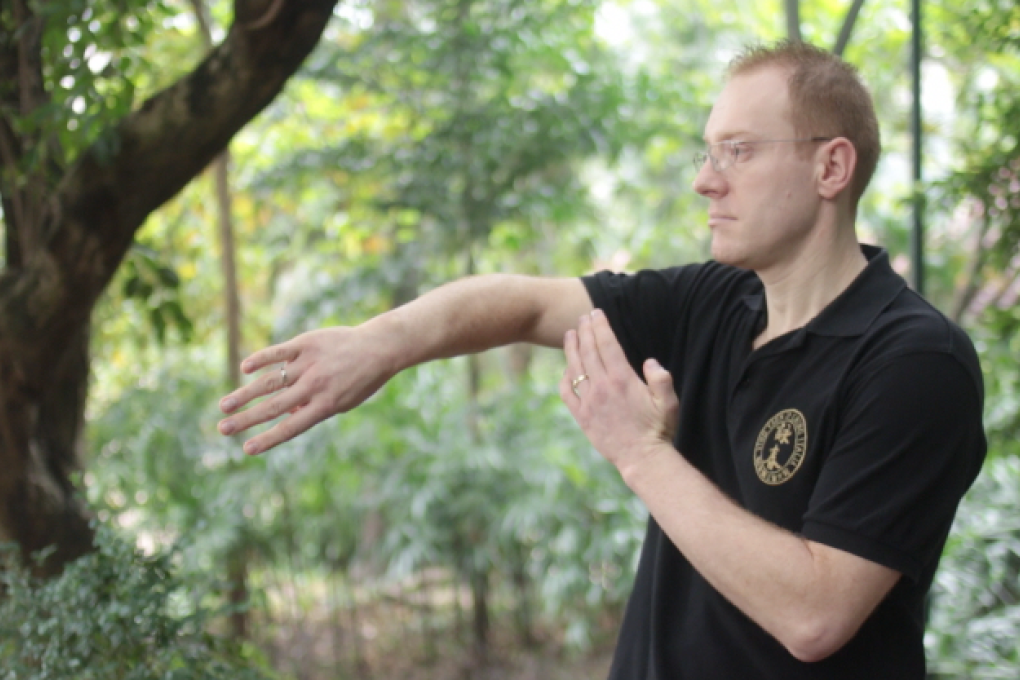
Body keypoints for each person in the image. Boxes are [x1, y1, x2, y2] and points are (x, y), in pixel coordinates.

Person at [217, 40, 986, 678]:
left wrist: (638, 453)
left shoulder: (915, 361)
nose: (703, 179)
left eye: (738, 152)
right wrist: (379, 343)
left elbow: (816, 614)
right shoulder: (712, 302)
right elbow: (525, 302)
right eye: (707, 151)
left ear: (831, 168)